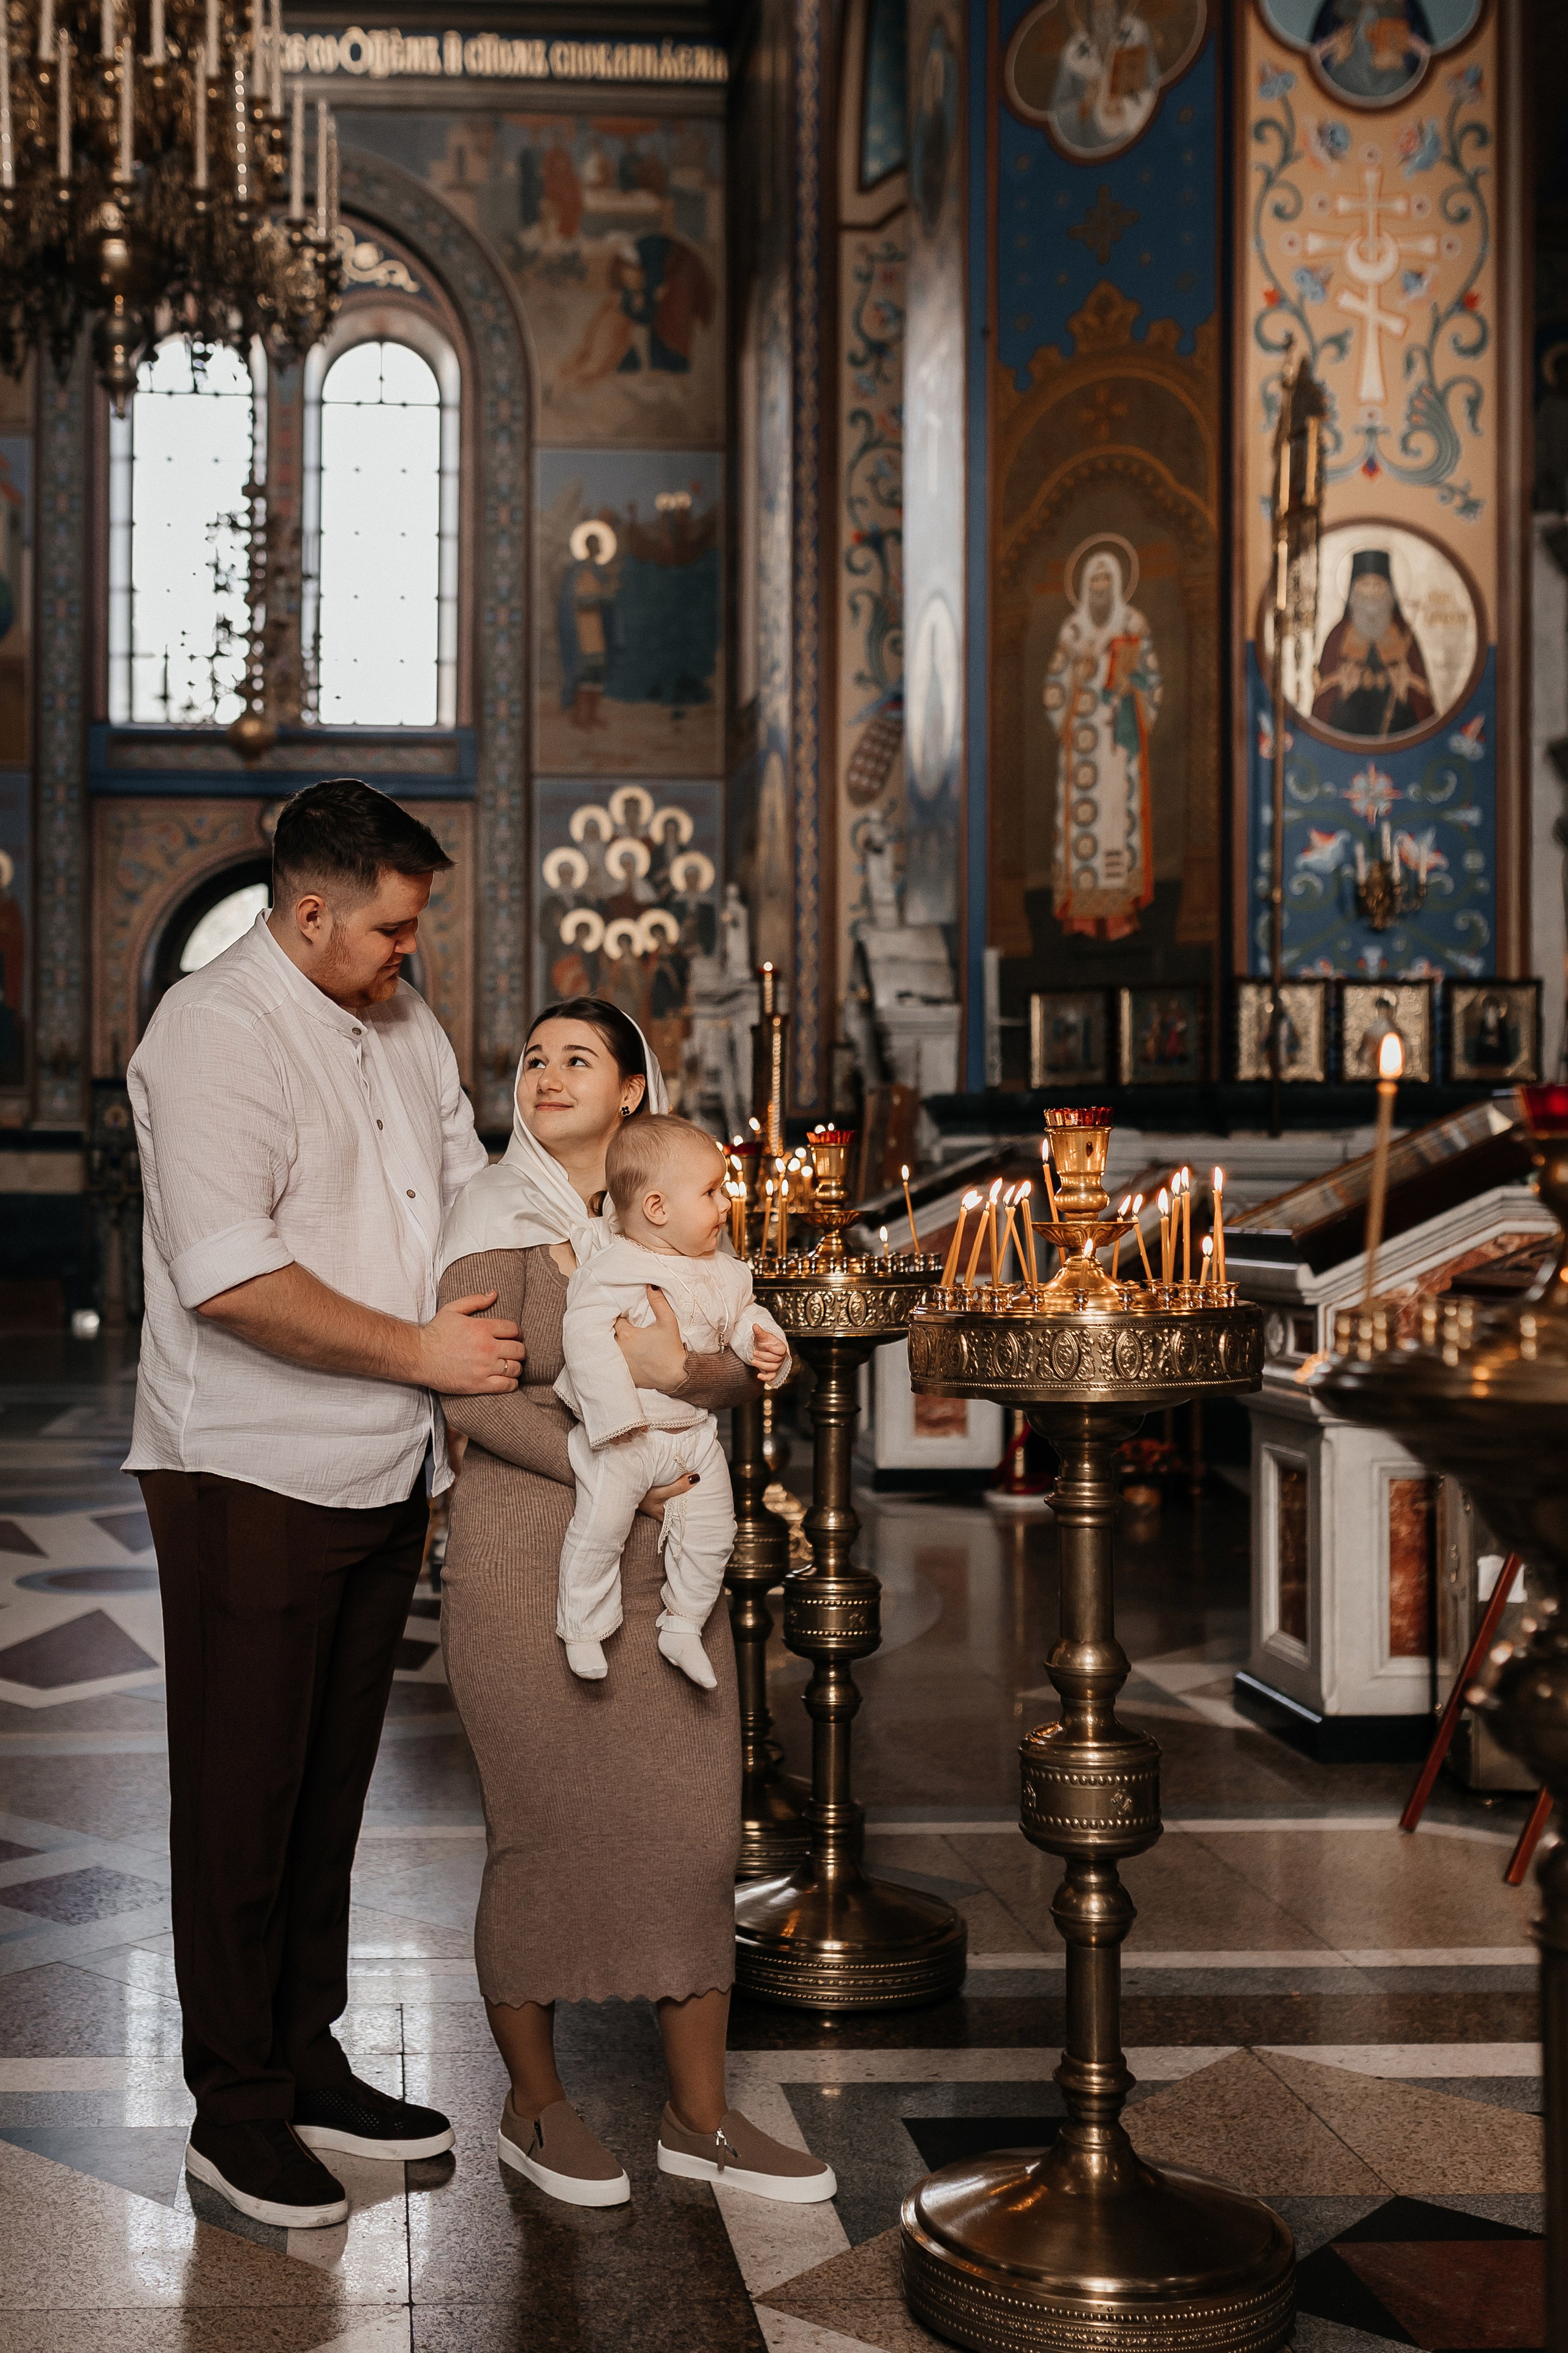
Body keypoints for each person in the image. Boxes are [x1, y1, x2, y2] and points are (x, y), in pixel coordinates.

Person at [126, 779, 524, 2231]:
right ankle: (233, 2109)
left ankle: (304, 2054)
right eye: (393, 927)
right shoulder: (213, 1032)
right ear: (308, 912)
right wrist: (426, 1351)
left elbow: (463, 1189)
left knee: (326, 1792)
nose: (411, 951)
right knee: (243, 1796)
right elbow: (229, 1274)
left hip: (386, 1464)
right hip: (248, 1466)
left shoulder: (402, 1023)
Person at [435, 997, 837, 2210]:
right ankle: (535, 2105)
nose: (546, 1073)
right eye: (532, 1056)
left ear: (631, 1093)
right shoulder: (491, 1217)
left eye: (578, 1058)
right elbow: (474, 1400)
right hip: (520, 1558)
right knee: (540, 1835)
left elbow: (714, 1365)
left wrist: (718, 1366)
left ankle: (699, 2120)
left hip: (665, 1560)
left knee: (690, 1835)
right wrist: (620, 1465)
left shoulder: (676, 1215)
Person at [554, 1114, 791, 1685]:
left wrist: (767, 1345)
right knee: (601, 1526)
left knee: (716, 1530)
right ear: (657, 1208)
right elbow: (583, 1334)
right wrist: (613, 1420)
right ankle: (583, 1624)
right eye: (711, 1191)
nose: (726, 1202)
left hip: (692, 1431)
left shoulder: (726, 1271)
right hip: (629, 1431)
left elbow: (740, 1318)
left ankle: (683, 1623)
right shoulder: (616, 1267)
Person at [1044, 548, 1163, 941]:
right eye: (1093, 581)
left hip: (1117, 742)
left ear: (1115, 585)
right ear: (1083, 586)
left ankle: (1117, 918)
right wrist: (1076, 672)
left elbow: (1152, 681)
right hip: (1080, 747)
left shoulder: (1133, 624)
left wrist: (1132, 687)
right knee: (1084, 824)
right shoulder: (1071, 633)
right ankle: (1080, 918)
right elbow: (1053, 692)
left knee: (1114, 824)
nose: (1099, 589)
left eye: (1105, 581)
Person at [1312, 549, 1434, 738]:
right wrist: (1343, 692)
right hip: (1346, 732)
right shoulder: (1338, 635)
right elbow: (1322, 702)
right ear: (1354, 589)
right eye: (1365, 585)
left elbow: (1424, 704)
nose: (1372, 592)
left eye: (1378, 585)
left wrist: (1403, 693)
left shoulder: (1403, 633)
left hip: (1399, 729)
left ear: (1389, 589)